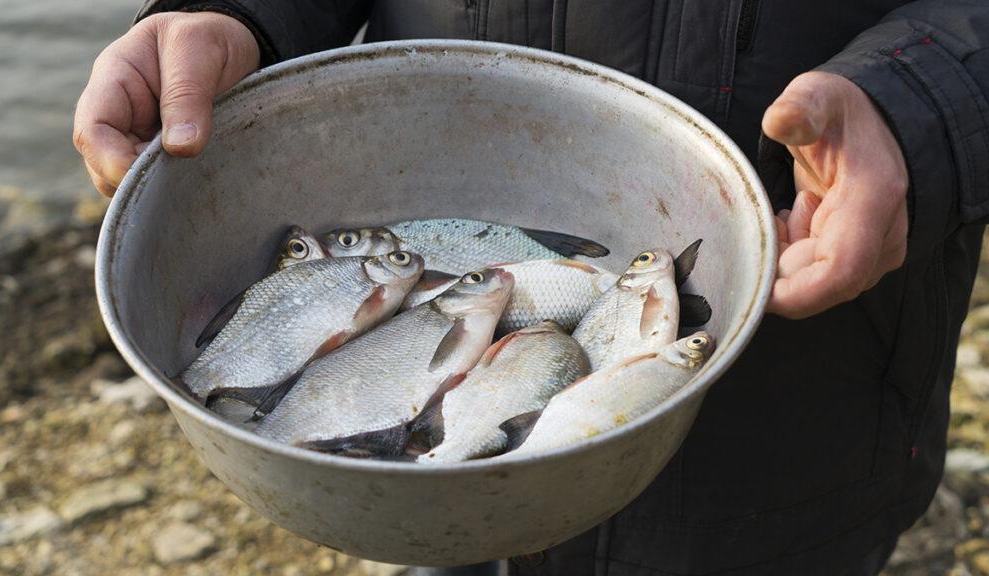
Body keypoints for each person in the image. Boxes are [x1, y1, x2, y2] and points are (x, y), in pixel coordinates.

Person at [74, 2, 989, 574]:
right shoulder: (458, 303)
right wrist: (236, 10)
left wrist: (922, 105)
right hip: (431, 493)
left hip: (802, 402)